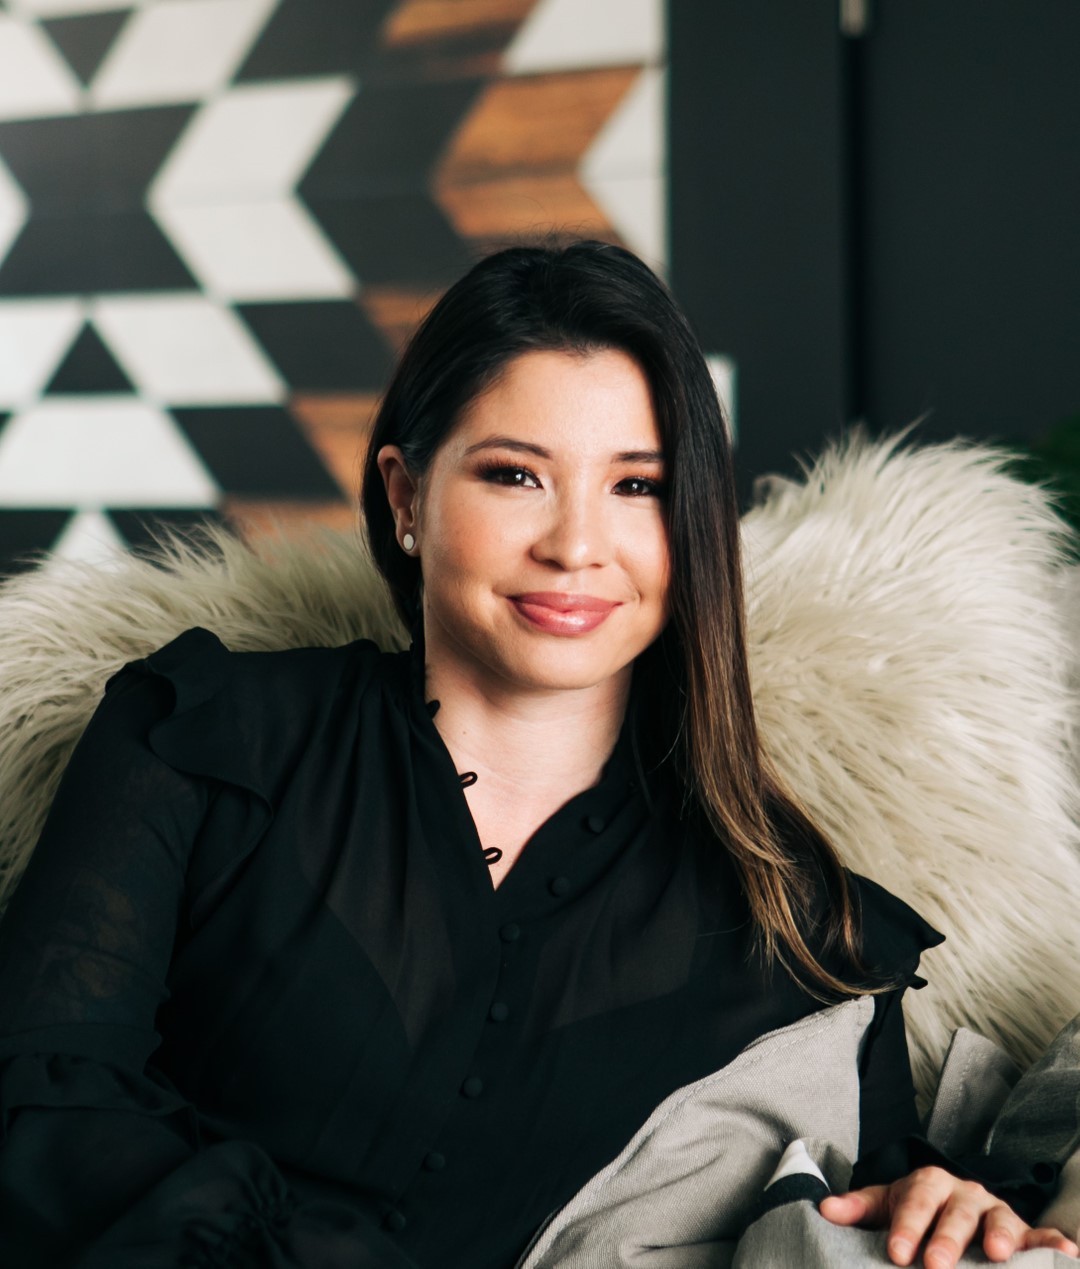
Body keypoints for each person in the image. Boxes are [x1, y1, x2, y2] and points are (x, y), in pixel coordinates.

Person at [0, 240, 1073, 1269]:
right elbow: (40, 1107)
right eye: (516, 475)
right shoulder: (200, 738)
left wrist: (945, 1202)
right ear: (406, 495)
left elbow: (869, 1209)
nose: (576, 546)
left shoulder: (798, 927)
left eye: (637, 485)